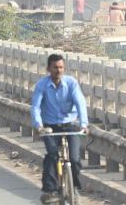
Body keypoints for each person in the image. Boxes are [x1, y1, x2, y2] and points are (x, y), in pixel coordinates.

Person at [31, 54, 88, 204]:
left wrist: (84, 124)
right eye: (55, 67)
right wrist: (38, 125)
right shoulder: (42, 85)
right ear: (49, 68)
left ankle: (74, 188)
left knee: (75, 158)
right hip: (49, 126)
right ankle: (50, 190)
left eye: (61, 67)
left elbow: (81, 103)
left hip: (70, 125)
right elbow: (36, 106)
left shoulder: (71, 83)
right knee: (52, 155)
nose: (58, 70)